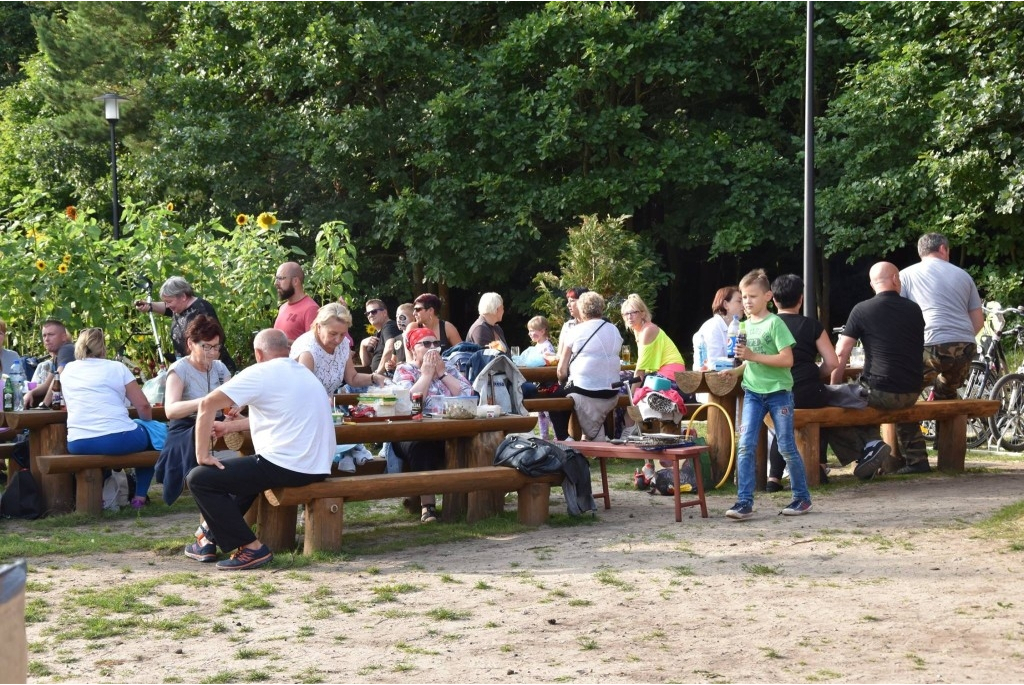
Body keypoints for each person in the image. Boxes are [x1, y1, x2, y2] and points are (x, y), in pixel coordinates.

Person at [184, 329, 336, 570]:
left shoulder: (262, 371)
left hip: (287, 465)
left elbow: (207, 403)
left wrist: (202, 455)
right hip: (318, 466)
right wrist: (231, 426)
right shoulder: (304, 373)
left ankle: (251, 548)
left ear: (258, 353)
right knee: (246, 479)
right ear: (286, 349)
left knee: (200, 478)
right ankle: (207, 538)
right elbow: (280, 415)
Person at [726, 269, 811, 520]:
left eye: (752, 296)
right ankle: (744, 501)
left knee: (786, 446)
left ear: (768, 296)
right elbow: (750, 362)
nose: (747, 301)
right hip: (752, 392)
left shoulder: (775, 323)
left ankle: (801, 498)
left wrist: (751, 356)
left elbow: (787, 359)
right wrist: (736, 372)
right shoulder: (742, 326)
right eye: (743, 297)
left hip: (779, 393)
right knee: (745, 445)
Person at [830, 262, 929, 476]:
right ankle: (917, 458)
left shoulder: (862, 309)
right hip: (912, 390)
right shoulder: (914, 309)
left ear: (872, 284)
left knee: (832, 404)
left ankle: (868, 449)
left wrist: (834, 386)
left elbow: (841, 352)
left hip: (879, 390)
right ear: (895, 279)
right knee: (888, 402)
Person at [61, 327, 154, 509]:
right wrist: (147, 423)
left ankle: (103, 498)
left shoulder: (68, 370)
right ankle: (139, 498)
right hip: (117, 438)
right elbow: (143, 405)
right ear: (103, 348)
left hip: (78, 442)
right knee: (154, 439)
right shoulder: (117, 367)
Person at [392, 326, 475, 523]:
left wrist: (443, 374)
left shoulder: (447, 366)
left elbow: (467, 395)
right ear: (413, 348)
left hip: (448, 430)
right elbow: (409, 404)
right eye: (426, 344)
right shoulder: (404, 369)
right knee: (422, 447)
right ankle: (427, 507)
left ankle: (472, 503)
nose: (433, 348)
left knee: (475, 442)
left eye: (436, 343)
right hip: (411, 433)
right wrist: (426, 375)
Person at [765, 274, 840, 491]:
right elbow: (832, 362)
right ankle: (818, 465)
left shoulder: (766, 325)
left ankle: (773, 478)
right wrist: (817, 374)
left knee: (781, 425)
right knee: (823, 413)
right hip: (808, 389)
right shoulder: (811, 325)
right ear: (801, 299)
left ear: (773, 300)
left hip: (776, 389)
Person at [155, 315, 232, 510]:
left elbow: (231, 401)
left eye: (216, 347)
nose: (213, 353)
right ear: (191, 343)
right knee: (200, 433)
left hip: (218, 422)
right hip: (186, 425)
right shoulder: (179, 370)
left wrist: (236, 408)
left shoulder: (220, 368)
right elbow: (171, 410)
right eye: (207, 347)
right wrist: (205, 403)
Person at [899, 232, 984, 400]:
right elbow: (979, 321)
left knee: (904, 393)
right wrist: (956, 341)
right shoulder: (964, 276)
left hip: (929, 344)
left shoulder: (905, 275)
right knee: (946, 394)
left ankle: (907, 427)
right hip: (965, 347)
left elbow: (897, 315)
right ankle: (943, 408)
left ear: (920, 252)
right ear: (943, 249)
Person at [620, 292, 688, 472]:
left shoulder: (648, 330)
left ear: (642, 313)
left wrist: (632, 398)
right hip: (662, 375)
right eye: (625, 314)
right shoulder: (639, 331)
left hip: (671, 376)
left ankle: (632, 428)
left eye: (633, 312)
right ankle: (641, 442)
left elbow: (640, 370)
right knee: (629, 393)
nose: (629, 316)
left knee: (635, 396)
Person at [549, 291, 623, 442]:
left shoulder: (576, 331)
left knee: (554, 400)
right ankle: (600, 436)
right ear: (601, 308)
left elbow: (561, 370)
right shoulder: (614, 330)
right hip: (612, 390)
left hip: (585, 389)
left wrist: (563, 381)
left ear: (582, 310)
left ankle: (565, 439)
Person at [134, 276, 236, 373]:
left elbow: (214, 342)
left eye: (169, 301)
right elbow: (167, 309)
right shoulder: (179, 307)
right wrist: (149, 306)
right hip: (189, 366)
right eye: (166, 302)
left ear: (183, 296)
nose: (168, 305)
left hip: (210, 369)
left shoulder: (201, 310)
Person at [290, 302, 387, 395]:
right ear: (319, 327)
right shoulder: (307, 350)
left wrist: (374, 378)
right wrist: (324, 400)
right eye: (333, 333)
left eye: (342, 334)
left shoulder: (343, 344)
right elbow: (303, 389)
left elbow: (352, 378)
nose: (338, 340)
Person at [22, 319, 76, 408]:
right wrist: (31, 393)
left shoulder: (66, 349)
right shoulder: (57, 356)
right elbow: (46, 385)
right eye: (44, 335)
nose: (46, 339)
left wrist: (44, 405)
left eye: (51, 335)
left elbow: (58, 378)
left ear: (63, 337)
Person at [522, 316, 557, 438]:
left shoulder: (547, 347)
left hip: (547, 384)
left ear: (542, 331)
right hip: (539, 383)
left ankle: (557, 436)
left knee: (548, 413)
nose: (530, 333)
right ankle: (544, 437)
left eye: (533, 330)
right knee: (541, 412)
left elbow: (550, 361)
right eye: (529, 331)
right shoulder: (536, 347)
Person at [692, 286, 744, 368]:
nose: (743, 305)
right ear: (726, 304)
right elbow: (714, 364)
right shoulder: (713, 326)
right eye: (739, 301)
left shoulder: (737, 326)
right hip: (707, 378)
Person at [272, 262, 319, 343]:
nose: (276, 283)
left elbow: (313, 346)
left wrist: (281, 342)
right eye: (276, 278)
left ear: (295, 281)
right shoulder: (283, 307)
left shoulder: (311, 309)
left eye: (280, 278)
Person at [360, 299, 401, 370]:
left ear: (384, 313)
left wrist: (378, 373)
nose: (370, 315)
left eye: (374, 312)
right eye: (367, 313)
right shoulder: (378, 333)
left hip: (387, 377)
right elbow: (366, 363)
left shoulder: (389, 327)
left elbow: (390, 349)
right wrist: (362, 344)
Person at [376, 303, 414, 376]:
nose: (398, 320)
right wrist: (389, 365)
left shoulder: (418, 337)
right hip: (400, 375)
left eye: (402, 317)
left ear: (413, 318)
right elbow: (394, 360)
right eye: (397, 317)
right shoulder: (397, 338)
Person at [556, 287, 588, 357]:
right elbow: (560, 354)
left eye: (572, 301)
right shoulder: (568, 326)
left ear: (583, 302)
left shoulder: (595, 324)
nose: (568, 305)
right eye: (568, 301)